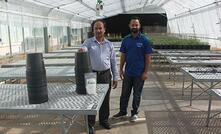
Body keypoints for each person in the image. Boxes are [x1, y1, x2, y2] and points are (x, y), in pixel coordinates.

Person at [80, 19, 119, 134]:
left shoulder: (109, 45)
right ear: (93, 30)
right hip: (91, 74)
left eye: (100, 28)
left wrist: (115, 77)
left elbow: (113, 62)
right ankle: (90, 124)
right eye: (96, 28)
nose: (98, 30)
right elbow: (83, 49)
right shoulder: (88, 42)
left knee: (105, 99)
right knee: (91, 99)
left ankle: (104, 120)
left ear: (104, 29)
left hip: (105, 74)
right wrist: (82, 50)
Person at [113, 17, 152, 122]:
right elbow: (123, 56)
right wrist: (120, 69)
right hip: (128, 73)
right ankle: (122, 111)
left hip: (139, 74)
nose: (134, 26)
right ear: (129, 26)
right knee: (124, 93)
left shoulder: (145, 40)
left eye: (136, 25)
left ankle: (135, 113)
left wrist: (145, 72)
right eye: (133, 25)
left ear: (139, 26)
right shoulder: (126, 40)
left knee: (137, 94)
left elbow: (148, 58)